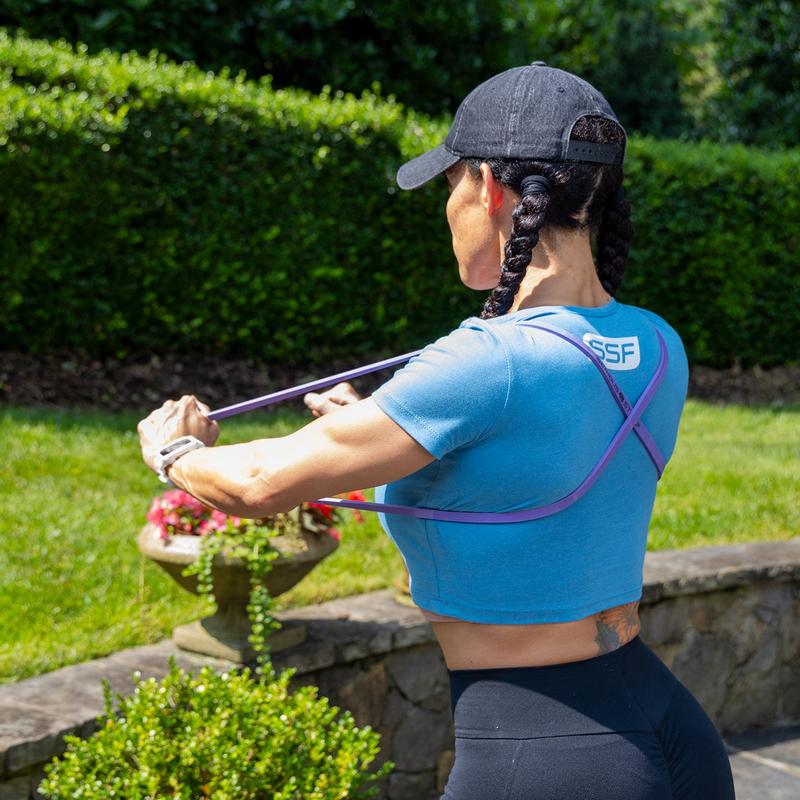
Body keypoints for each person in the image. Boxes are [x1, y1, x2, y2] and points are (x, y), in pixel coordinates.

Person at [137, 62, 736, 799]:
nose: (447, 208)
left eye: (448, 185)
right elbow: (536, 457)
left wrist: (174, 452)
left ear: (489, 188)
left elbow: (259, 484)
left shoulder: (489, 361)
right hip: (670, 731)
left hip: (543, 755)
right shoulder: (659, 345)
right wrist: (380, 426)